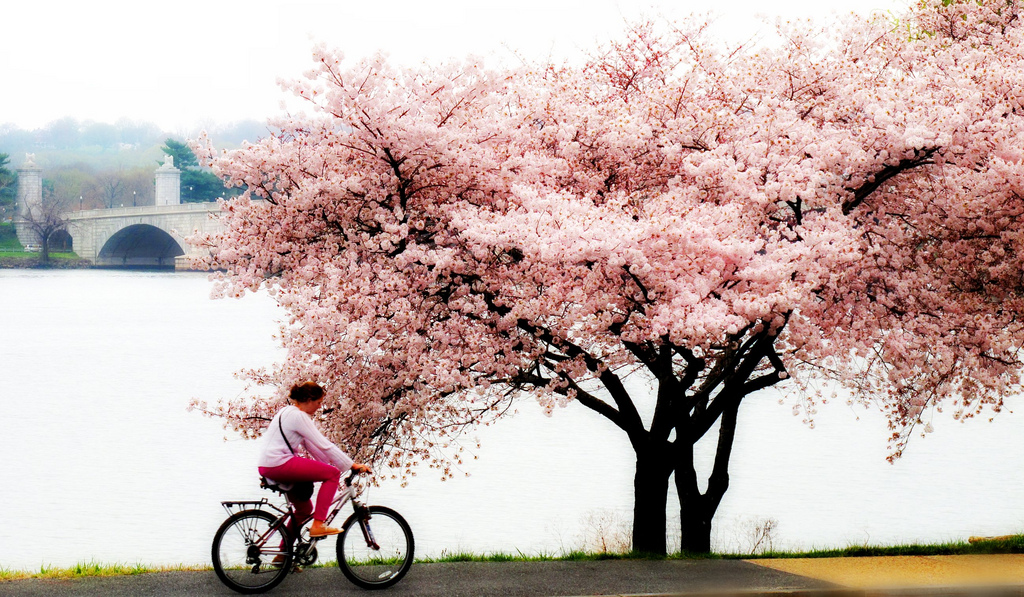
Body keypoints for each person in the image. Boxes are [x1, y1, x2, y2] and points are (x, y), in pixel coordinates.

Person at [258, 381, 370, 538]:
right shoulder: (299, 416)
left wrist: (327, 464)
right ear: (309, 400)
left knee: (304, 510)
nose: (319, 407)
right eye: (318, 402)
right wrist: (352, 465)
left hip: (267, 464)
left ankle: (284, 551)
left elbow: (311, 445)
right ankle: (318, 525)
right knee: (333, 474)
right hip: (279, 463)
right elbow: (324, 444)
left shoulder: (286, 411)